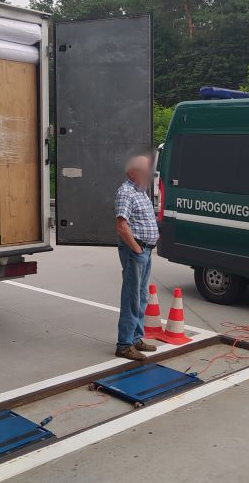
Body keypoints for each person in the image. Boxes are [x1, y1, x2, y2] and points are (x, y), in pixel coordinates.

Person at [114, 153, 159, 360]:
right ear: (132, 173)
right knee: (132, 297)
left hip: (145, 251)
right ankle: (124, 345)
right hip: (136, 252)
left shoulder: (141, 192)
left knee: (141, 297)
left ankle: (135, 338)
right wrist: (137, 249)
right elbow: (121, 226)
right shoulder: (126, 192)